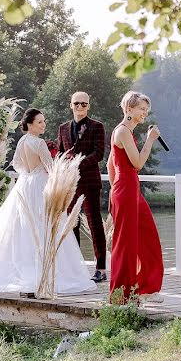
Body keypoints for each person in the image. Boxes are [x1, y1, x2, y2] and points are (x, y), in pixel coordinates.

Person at [0, 108, 96, 295]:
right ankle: (46, 273)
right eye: (40, 122)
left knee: (22, 228)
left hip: (25, 184)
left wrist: (29, 174)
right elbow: (51, 168)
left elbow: (16, 163)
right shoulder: (39, 144)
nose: (43, 124)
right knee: (44, 226)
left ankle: (25, 269)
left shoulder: (23, 141)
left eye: (43, 121)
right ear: (30, 124)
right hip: (40, 187)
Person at [107, 91, 164, 304]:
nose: (144, 114)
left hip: (129, 190)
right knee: (126, 244)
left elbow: (110, 165)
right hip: (127, 191)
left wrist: (116, 189)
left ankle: (146, 289)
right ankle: (121, 296)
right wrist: (150, 140)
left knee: (148, 237)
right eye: (141, 109)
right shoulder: (122, 132)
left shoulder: (123, 131)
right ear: (129, 109)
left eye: (146, 111)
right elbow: (138, 164)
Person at [56, 92, 108, 283]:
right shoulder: (63, 128)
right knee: (72, 225)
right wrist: (62, 162)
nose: (80, 107)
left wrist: (79, 163)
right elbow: (61, 152)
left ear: (88, 105)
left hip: (90, 182)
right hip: (69, 183)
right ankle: (75, 268)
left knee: (95, 225)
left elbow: (99, 153)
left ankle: (101, 268)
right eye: (77, 103)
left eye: (84, 104)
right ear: (71, 105)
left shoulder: (97, 126)